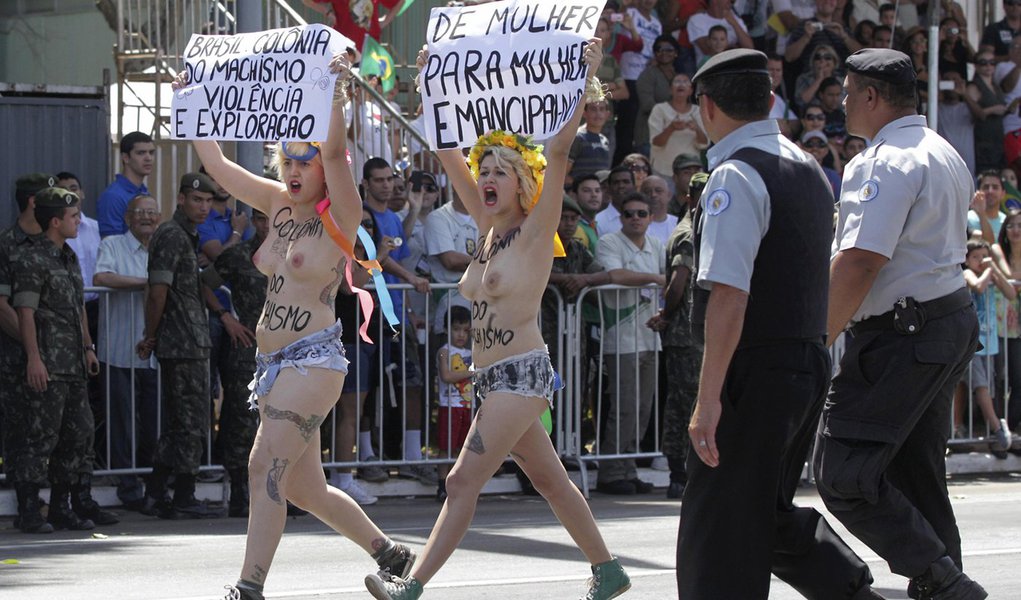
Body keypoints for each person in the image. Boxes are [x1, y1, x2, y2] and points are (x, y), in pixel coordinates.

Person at [365, 38, 631, 600]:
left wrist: (584, 77)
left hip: (521, 374)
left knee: (461, 480)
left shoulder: (536, 231)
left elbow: (559, 151)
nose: (485, 177)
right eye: (482, 169)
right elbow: (446, 153)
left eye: (499, 171)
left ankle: (411, 586)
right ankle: (609, 571)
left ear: (522, 181)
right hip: (489, 379)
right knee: (550, 480)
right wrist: (432, 88)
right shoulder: (487, 232)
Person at [174, 56, 416, 600]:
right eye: (288, 160)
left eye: (305, 161)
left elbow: (334, 150)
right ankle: (390, 552)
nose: (294, 170)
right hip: (271, 366)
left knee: (263, 466)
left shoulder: (342, 214)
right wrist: (190, 100)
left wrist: (334, 94)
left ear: (324, 168)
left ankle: (249, 587)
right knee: (305, 487)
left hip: (313, 360)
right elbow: (218, 166)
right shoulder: (277, 204)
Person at [677, 49, 879, 599]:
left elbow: (729, 294)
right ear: (769, 100)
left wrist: (708, 398)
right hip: (803, 358)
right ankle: (853, 592)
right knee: (762, 511)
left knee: (718, 524)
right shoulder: (807, 165)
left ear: (707, 107)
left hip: (756, 365)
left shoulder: (736, 174)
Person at [817, 47, 988, 599]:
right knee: (916, 474)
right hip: (940, 320)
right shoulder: (943, 150)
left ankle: (943, 582)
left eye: (848, 94)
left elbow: (861, 260)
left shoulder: (882, 161)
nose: (843, 103)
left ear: (871, 96)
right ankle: (946, 585)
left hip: (901, 335)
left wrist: (815, 340)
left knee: (845, 474)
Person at [12, 187, 116, 531]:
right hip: (48, 363)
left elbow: (77, 307)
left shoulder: (68, 256)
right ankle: (29, 510)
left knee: (78, 434)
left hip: (73, 363)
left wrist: (88, 347)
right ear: (55, 221)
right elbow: (25, 313)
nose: (78, 222)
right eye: (72, 217)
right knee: (41, 437)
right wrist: (34, 359)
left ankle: (61, 505)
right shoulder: (33, 260)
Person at [135, 173, 220, 521]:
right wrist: (150, 334)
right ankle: (183, 494)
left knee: (183, 421)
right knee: (189, 421)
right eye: (197, 200)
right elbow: (158, 292)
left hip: (190, 340)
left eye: (208, 201)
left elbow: (188, 287)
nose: (203, 207)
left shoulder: (185, 235)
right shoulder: (171, 235)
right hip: (180, 341)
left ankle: (156, 493)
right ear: (181, 199)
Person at [93, 193, 161, 510]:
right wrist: (146, 283)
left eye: (152, 212)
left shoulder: (162, 247)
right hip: (119, 349)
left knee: (153, 423)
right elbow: (101, 276)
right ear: (127, 218)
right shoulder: (113, 245)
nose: (147, 217)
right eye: (140, 212)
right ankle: (127, 485)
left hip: (155, 354)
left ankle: (154, 485)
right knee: (122, 422)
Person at [594, 192, 664, 496]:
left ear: (651, 217)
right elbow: (616, 274)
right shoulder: (609, 242)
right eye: (629, 213)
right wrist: (656, 279)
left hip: (650, 336)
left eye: (642, 213)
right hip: (621, 339)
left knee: (643, 409)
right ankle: (610, 472)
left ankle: (629, 468)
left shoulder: (656, 245)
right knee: (624, 407)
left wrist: (659, 280)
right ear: (621, 217)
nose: (636, 218)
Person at [203, 209, 271, 517]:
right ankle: (241, 492)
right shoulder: (240, 254)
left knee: (283, 421)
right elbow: (205, 283)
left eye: (272, 218)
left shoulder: (295, 254)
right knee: (242, 419)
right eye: (261, 218)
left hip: (287, 349)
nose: (267, 225)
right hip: (248, 348)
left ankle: (284, 491)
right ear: (254, 222)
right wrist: (225, 316)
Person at [647, 171, 706, 500]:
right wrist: (668, 314)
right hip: (685, 334)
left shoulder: (693, 229)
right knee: (685, 403)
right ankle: (679, 472)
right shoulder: (687, 234)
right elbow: (679, 282)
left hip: (688, 333)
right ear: (691, 198)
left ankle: (683, 471)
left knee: (684, 402)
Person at [1, 173, 51, 533]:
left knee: (51, 430)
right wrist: (34, 346)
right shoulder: (7, 244)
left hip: (56, 357)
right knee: (22, 431)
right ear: (34, 202)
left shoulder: (52, 244)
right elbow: (2, 305)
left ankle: (60, 501)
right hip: (18, 356)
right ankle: (27, 505)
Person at [962, 240, 1014, 457]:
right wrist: (988, 270)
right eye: (976, 257)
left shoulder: (990, 274)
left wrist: (995, 271)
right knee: (980, 385)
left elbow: (1011, 293)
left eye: (984, 256)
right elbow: (978, 286)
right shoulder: (967, 273)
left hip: (990, 342)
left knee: (990, 387)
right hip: (973, 342)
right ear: (966, 260)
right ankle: (997, 427)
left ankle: (994, 432)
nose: (981, 261)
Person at [435, 306, 473, 503]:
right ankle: (442, 484)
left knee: (461, 446)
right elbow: (447, 375)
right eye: (456, 329)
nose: (461, 335)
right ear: (447, 329)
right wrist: (471, 372)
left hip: (466, 406)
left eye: (465, 330)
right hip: (449, 405)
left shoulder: (471, 352)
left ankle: (456, 483)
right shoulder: (444, 351)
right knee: (446, 446)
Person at [648, 72, 707, 177]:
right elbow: (656, 143)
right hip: (663, 171)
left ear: (691, 91)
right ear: (670, 90)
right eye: (677, 81)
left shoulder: (698, 111)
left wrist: (697, 129)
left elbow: (704, 143)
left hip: (692, 171)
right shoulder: (659, 109)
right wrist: (671, 128)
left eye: (685, 82)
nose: (681, 84)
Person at [97, 131, 155, 237]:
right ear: (125, 158)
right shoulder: (113, 197)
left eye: (151, 152)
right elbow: (110, 243)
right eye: (141, 153)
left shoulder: (145, 193)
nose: (148, 158)